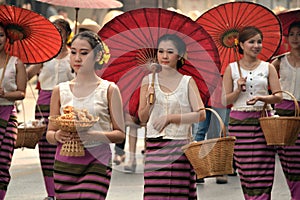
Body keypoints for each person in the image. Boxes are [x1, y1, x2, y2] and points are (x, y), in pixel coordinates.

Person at [46, 30, 125, 199]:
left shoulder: (109, 90)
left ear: (97, 56)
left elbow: (120, 134)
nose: (77, 58)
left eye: (84, 53)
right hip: (65, 161)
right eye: (73, 52)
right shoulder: (59, 90)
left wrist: (93, 135)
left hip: (97, 161)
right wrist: (58, 135)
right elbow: (50, 134)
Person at [138, 34, 206, 199]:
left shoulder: (187, 82)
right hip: (155, 146)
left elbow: (201, 114)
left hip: (180, 145)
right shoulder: (148, 81)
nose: (164, 56)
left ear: (180, 55)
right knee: (155, 194)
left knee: (178, 193)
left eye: (170, 52)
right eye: (161, 51)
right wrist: (149, 102)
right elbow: (142, 118)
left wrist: (171, 117)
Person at [223, 26, 282, 200]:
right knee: (246, 171)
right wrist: (236, 90)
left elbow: (278, 96)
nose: (256, 45)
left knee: (264, 168)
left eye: (259, 42)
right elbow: (225, 100)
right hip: (239, 125)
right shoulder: (231, 69)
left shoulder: (268, 67)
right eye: (251, 42)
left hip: (264, 123)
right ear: (240, 45)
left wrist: (261, 98)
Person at [26, 19, 74, 200]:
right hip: (43, 106)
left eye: (60, 31)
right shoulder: (43, 56)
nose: (57, 34)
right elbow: (29, 74)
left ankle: (64, 190)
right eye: (54, 30)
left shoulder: (73, 56)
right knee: (46, 150)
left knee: (64, 147)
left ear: (67, 34)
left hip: (66, 107)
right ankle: (51, 193)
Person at [271, 21, 300, 200]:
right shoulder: (279, 61)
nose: (296, 38)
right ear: (287, 38)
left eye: (299, 34)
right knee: (290, 160)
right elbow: (262, 80)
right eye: (292, 34)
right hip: (284, 114)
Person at [0, 22, 27, 199]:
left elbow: (22, 92)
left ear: (7, 38)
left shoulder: (16, 62)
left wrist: (6, 94)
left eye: (1, 35)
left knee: (3, 161)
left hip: (8, 114)